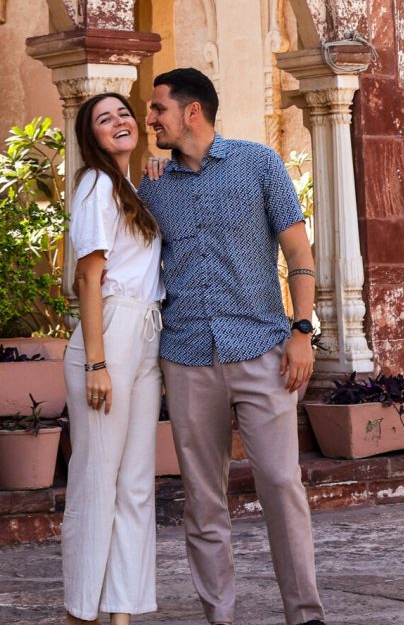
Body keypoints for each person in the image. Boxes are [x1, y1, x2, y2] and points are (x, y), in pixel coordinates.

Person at [139, 66, 326, 625]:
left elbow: (298, 254)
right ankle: (219, 615)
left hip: (263, 352)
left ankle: (305, 614)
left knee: (280, 483)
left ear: (191, 111)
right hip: (188, 356)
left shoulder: (259, 164)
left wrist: (302, 331)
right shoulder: (153, 184)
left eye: (158, 110)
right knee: (202, 498)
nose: (150, 120)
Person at [62, 90, 165, 625]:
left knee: (136, 482)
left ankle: (121, 611)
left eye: (123, 112)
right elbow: (89, 276)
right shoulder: (96, 186)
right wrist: (96, 364)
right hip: (111, 331)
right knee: (97, 479)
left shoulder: (128, 188)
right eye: (105, 119)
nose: (120, 121)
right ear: (92, 138)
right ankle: (81, 612)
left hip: (146, 330)